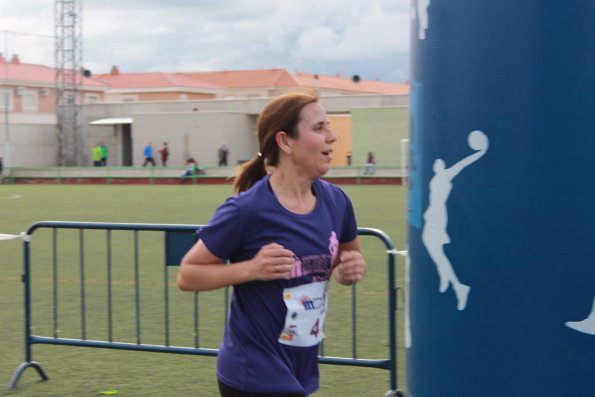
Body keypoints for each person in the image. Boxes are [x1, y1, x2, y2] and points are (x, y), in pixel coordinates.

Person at [177, 91, 366, 397]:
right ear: (285, 142)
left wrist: (347, 272)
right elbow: (188, 275)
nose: (332, 137)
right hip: (253, 371)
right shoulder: (247, 210)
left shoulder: (337, 202)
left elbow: (346, 258)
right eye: (319, 128)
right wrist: (251, 269)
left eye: (329, 127)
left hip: (299, 366)